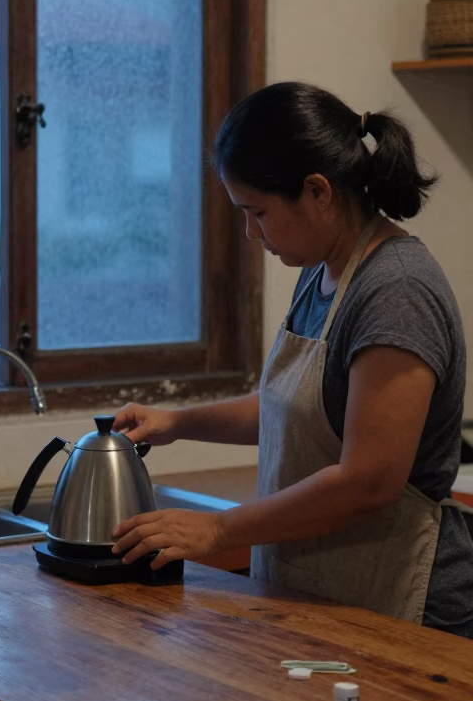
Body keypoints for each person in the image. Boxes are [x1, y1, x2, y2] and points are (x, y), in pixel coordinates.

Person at [112, 82, 473, 637]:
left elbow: (368, 481)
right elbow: (295, 410)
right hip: (324, 594)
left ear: (317, 191)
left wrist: (218, 530)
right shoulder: (320, 271)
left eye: (257, 212)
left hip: (406, 608)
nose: (251, 234)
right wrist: (178, 424)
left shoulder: (396, 290)